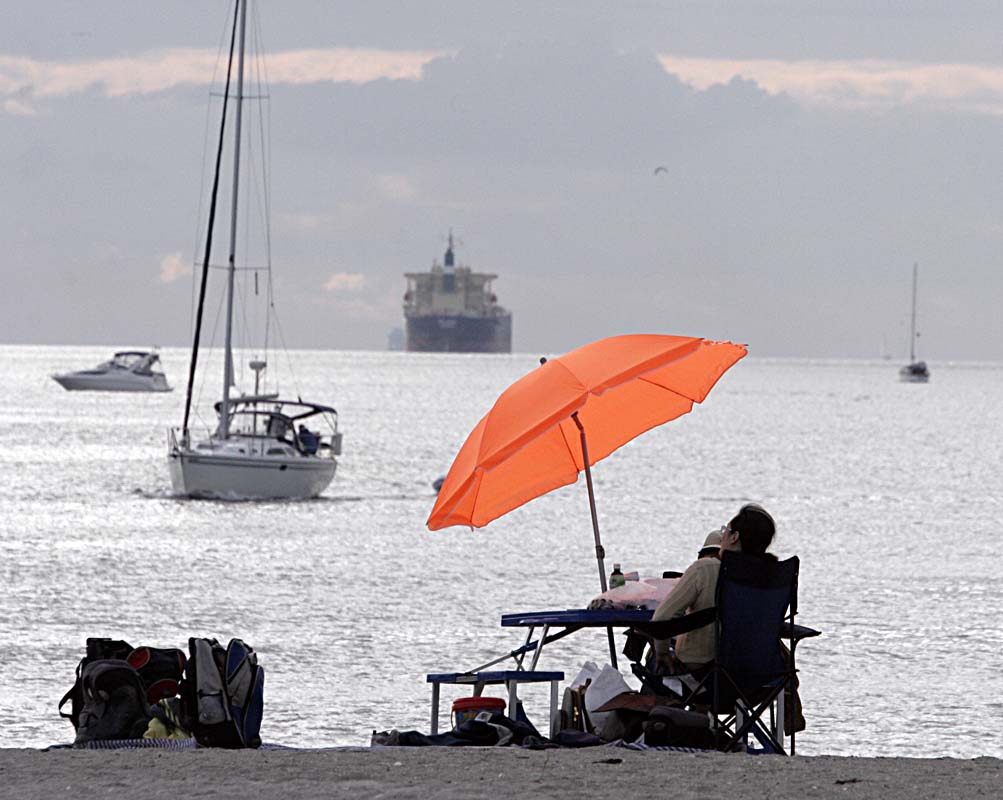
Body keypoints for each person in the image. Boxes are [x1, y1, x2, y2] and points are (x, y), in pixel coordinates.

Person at [650, 504, 776, 674]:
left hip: (702, 671)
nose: (722, 535)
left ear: (734, 537)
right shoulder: (770, 575)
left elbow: (661, 619)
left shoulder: (705, 569)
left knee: (654, 655)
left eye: (726, 530)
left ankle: (660, 699)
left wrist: (662, 654)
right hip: (755, 674)